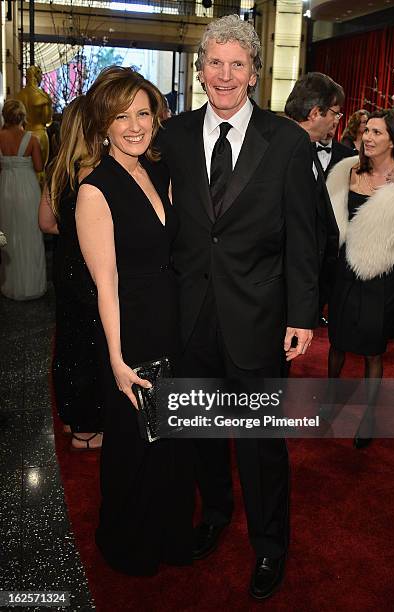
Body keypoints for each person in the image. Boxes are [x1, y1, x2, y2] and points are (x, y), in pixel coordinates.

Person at [157, 15, 319, 600]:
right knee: (203, 431)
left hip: (259, 319)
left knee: (258, 444)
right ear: (200, 72)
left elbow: (306, 237)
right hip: (191, 316)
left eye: (237, 65)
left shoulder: (288, 142)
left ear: (254, 74)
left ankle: (270, 546)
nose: (224, 76)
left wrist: (302, 314)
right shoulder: (172, 137)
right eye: (214, 63)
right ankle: (216, 515)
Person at [76, 67, 193, 575]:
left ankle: (169, 533)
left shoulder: (159, 171)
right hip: (131, 333)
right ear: (104, 124)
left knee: (171, 440)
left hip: (172, 322)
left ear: (156, 117)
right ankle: (129, 542)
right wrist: (119, 362)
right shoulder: (95, 190)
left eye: (142, 113)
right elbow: (106, 284)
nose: (134, 125)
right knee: (134, 445)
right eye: (121, 115)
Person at [327, 110, 394, 448]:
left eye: (377, 132)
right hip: (345, 272)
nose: (368, 138)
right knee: (337, 341)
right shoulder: (346, 171)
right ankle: (329, 402)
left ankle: (369, 415)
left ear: (393, 140)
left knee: (374, 349)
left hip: (384, 275)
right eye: (366, 131)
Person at [38, 96, 103, 450]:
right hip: (87, 267)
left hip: (64, 265)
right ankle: (86, 427)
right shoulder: (93, 171)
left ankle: (71, 416)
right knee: (91, 344)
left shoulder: (58, 166)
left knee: (68, 339)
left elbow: (45, 223)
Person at [284, 72, 344, 328]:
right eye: (335, 113)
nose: (336, 121)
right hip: (278, 290)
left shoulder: (304, 147)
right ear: (315, 113)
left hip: (301, 287)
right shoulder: (280, 150)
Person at [0, 99, 46, 300]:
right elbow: (38, 167)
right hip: (27, 189)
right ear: (22, 116)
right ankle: (31, 285)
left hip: (5, 189)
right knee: (30, 234)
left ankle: (10, 284)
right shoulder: (32, 139)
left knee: (9, 233)